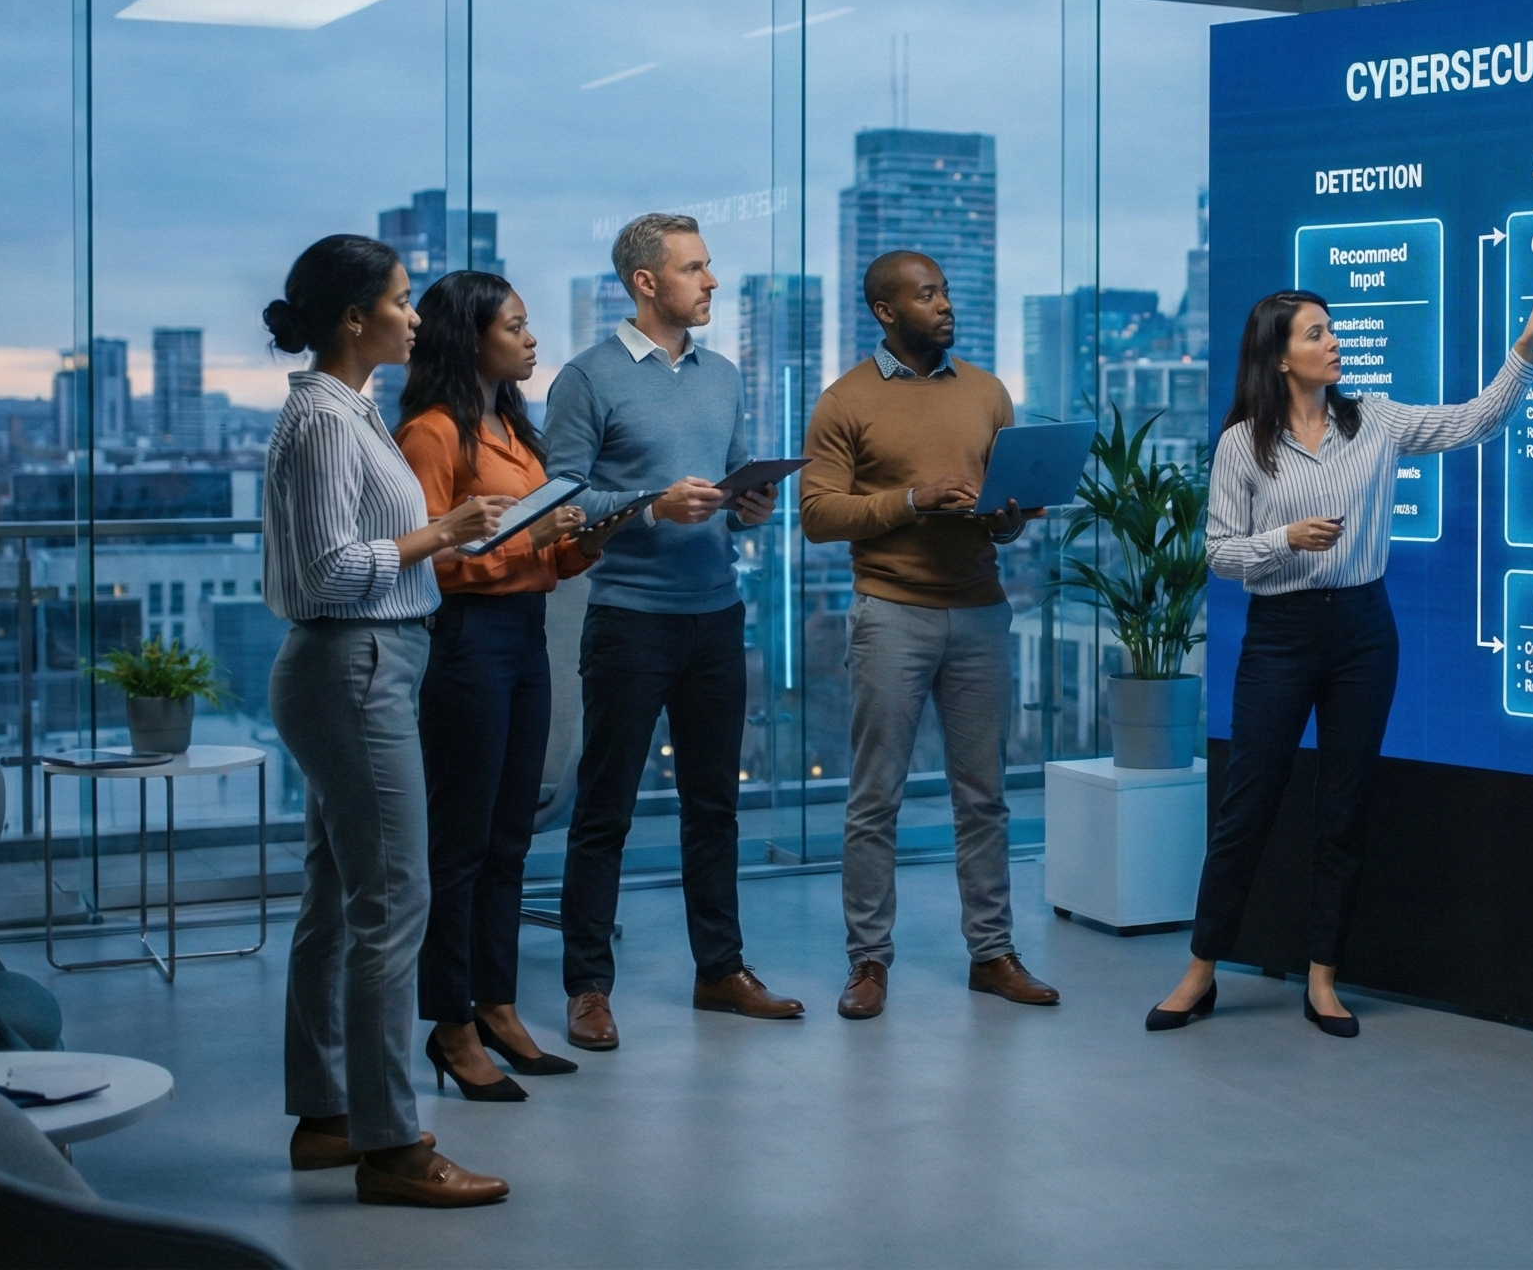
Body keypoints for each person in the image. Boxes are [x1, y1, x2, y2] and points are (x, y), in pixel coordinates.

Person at [1148, 284, 1533, 1038]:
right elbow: (1218, 555)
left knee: (1342, 809)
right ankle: (1201, 968)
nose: (1334, 342)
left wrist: (1527, 342)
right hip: (1279, 634)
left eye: (1332, 330)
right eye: (1316, 334)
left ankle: (1323, 978)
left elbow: (1476, 420)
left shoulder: (1372, 419)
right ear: (1281, 358)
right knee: (1247, 808)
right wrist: (1284, 540)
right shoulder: (1242, 444)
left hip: (1362, 633)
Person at [262, 234, 511, 1207]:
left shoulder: (344, 413)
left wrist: (434, 539)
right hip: (356, 666)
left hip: (361, 666)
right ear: (355, 317)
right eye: (403, 301)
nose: (417, 316)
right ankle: (392, 1146)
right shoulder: (327, 424)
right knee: (392, 907)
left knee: (337, 904)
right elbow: (328, 572)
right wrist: (440, 533)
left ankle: (328, 1114)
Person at [541, 213, 799, 1051]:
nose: (712, 281)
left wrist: (751, 508)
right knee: (605, 810)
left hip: (716, 617)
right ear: (646, 283)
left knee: (713, 806)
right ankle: (587, 986)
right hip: (628, 623)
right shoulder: (586, 379)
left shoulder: (723, 374)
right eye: (695, 269)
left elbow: (729, 495)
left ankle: (719, 970)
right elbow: (560, 509)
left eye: (709, 266)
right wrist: (648, 504)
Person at [800, 250, 1060, 1020]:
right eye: (926, 294)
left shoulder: (987, 391)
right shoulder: (844, 399)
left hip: (981, 609)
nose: (944, 305)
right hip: (891, 615)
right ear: (887, 311)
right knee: (873, 798)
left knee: (984, 799)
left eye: (944, 291)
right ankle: (869, 962)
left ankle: (993, 953)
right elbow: (818, 515)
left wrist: (1011, 514)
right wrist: (911, 499)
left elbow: (1007, 516)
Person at [397, 271, 628, 1100]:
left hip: (526, 639)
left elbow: (550, 558)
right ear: (473, 339)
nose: (533, 341)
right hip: (468, 643)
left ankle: (496, 1005)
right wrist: (526, 543)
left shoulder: (517, 433)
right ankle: (449, 1025)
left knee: (508, 841)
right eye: (517, 327)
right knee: (458, 848)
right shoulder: (432, 434)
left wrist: (587, 531)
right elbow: (426, 555)